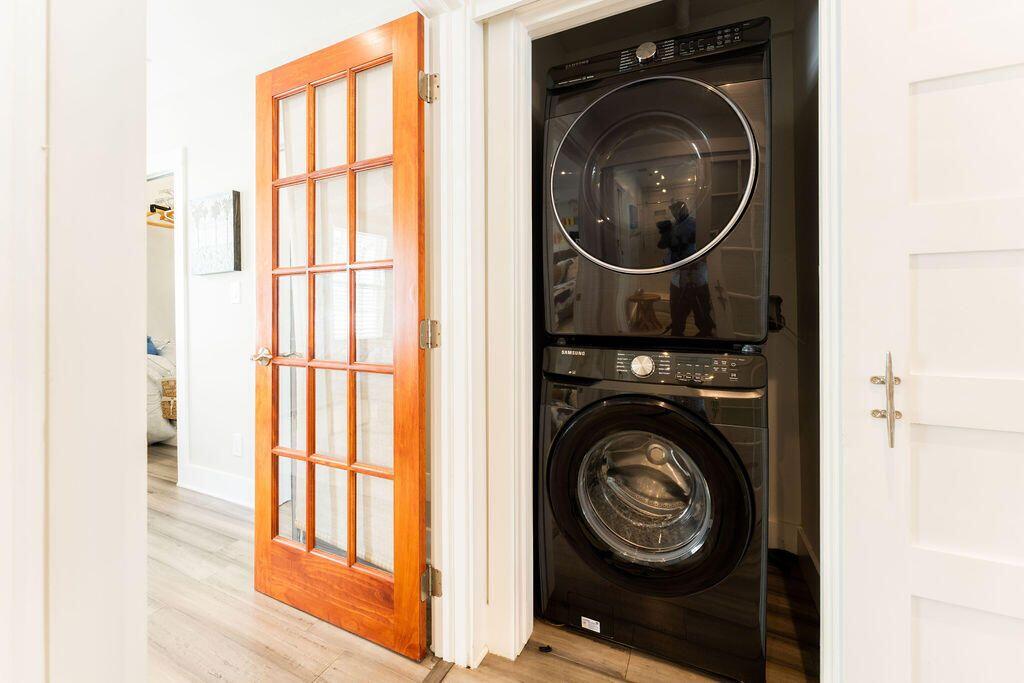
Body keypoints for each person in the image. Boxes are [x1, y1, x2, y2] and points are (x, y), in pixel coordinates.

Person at [657, 200, 715, 337]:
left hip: (697, 278)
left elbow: (707, 251)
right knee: (677, 320)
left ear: (684, 209)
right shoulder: (672, 228)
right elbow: (669, 253)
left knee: (703, 319)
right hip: (678, 280)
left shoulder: (698, 225)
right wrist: (668, 262)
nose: (675, 213)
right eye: (673, 210)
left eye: (677, 210)